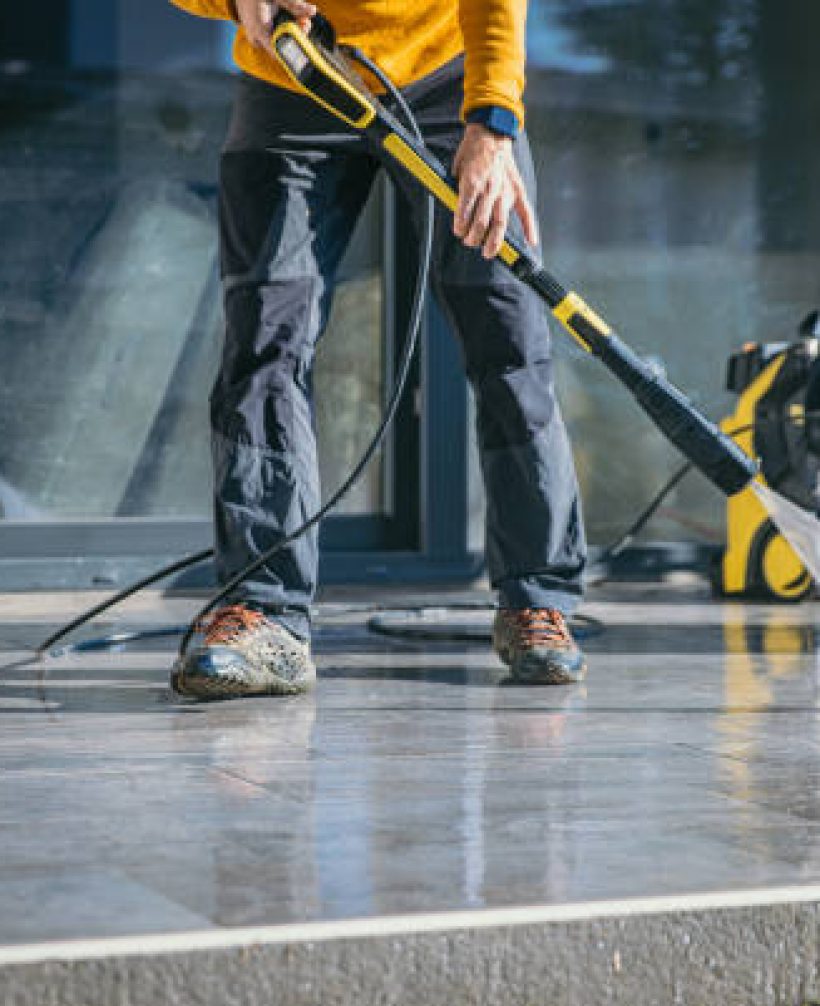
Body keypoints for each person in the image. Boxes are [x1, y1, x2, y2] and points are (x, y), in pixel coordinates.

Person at [169, 0, 588, 699]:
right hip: (293, 77)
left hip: (445, 80)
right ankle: (265, 612)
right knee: (264, 345)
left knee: (509, 340)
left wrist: (493, 121)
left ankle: (537, 599)